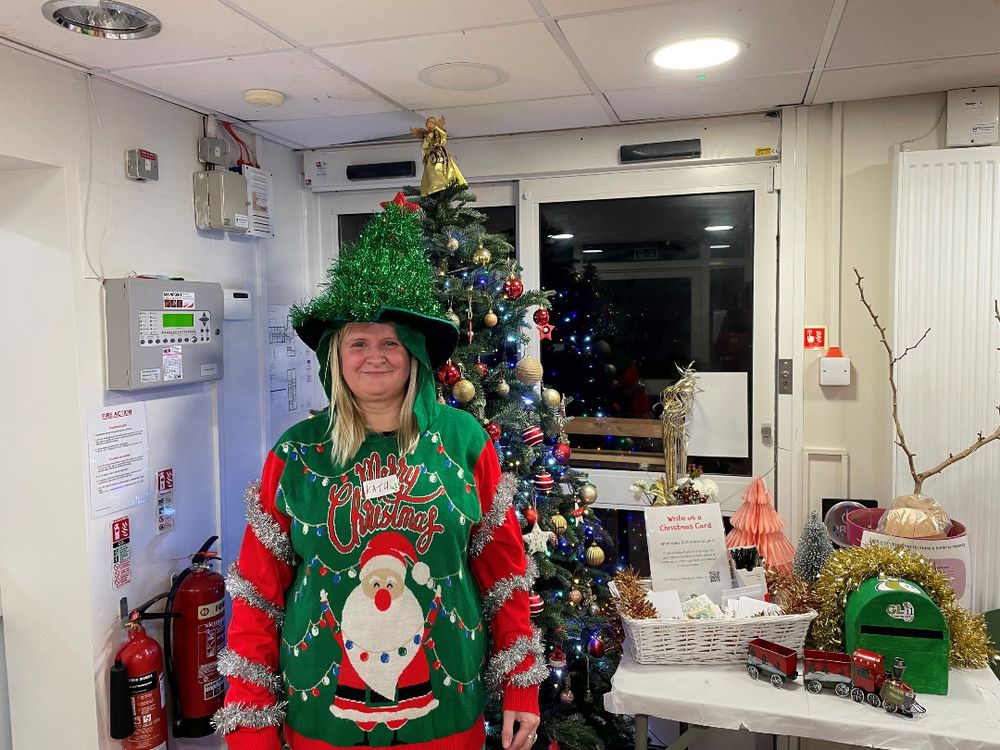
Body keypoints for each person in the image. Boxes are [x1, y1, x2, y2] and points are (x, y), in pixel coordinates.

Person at [213, 193, 545, 750]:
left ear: (414, 353)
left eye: (391, 342)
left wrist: (521, 688)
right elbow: (258, 594)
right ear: (334, 356)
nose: (375, 355)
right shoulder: (297, 454)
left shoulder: (464, 443)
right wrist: (251, 725)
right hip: (321, 714)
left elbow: (504, 575)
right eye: (358, 342)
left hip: (445, 709)